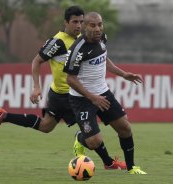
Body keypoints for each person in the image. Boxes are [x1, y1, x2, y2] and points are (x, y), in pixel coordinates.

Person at [0, 6, 126, 170]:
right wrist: (36, 87)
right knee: (92, 137)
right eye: (74, 22)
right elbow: (36, 61)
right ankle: (107, 161)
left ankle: (4, 116)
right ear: (65, 22)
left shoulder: (85, 39)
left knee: (46, 126)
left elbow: (102, 57)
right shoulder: (57, 42)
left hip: (66, 94)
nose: (78, 26)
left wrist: (121, 73)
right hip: (68, 96)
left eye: (81, 22)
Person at [63, 12, 147, 174]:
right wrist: (92, 97)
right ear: (85, 27)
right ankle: (81, 138)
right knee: (94, 141)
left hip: (103, 93)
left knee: (125, 128)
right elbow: (70, 80)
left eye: (100, 24)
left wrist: (123, 74)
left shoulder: (102, 38)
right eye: (93, 25)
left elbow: (104, 58)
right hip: (82, 99)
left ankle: (131, 168)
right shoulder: (77, 50)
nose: (97, 29)